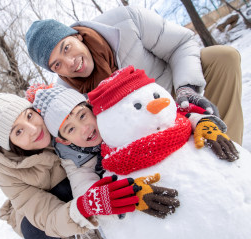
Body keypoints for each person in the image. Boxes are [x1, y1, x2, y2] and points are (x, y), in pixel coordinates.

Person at [0, 93, 146, 239]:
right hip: (38, 212)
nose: (33, 129)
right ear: (9, 143)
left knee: (78, 178)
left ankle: (83, 230)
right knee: (37, 233)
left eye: (29, 116)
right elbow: (44, 214)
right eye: (19, 131)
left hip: (73, 186)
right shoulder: (6, 170)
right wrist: (85, 207)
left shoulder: (54, 118)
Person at [25, 5, 243, 145]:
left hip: (174, 92)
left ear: (77, 36)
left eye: (66, 47)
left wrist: (187, 88)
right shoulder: (67, 93)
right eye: (57, 64)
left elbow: (181, 43)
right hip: (140, 129)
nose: (70, 62)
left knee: (222, 57)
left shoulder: (125, 20)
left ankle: (228, 145)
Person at [27, 83, 181, 218]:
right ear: (64, 140)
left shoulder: (111, 115)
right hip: (121, 180)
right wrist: (114, 195)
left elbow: (152, 117)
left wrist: (194, 119)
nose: (84, 128)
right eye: (71, 128)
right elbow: (82, 186)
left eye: (82, 116)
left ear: (90, 107)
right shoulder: (72, 157)